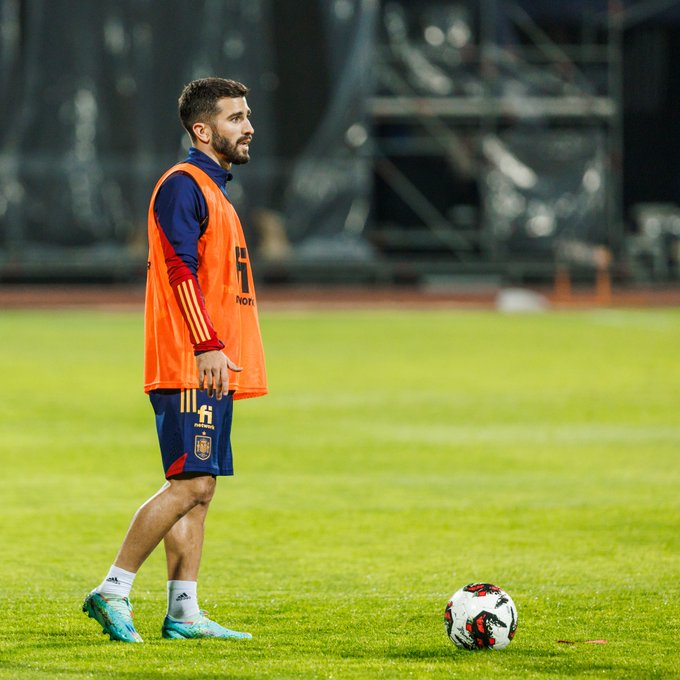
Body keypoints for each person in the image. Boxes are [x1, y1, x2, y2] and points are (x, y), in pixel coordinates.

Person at [82, 77, 267, 642]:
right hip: (191, 360)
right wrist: (207, 344)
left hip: (211, 364)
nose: (249, 126)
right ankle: (112, 589)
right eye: (236, 118)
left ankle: (184, 611)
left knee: (201, 488)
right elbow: (178, 269)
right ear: (202, 130)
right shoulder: (182, 185)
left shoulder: (212, 189)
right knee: (190, 484)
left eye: (247, 115)